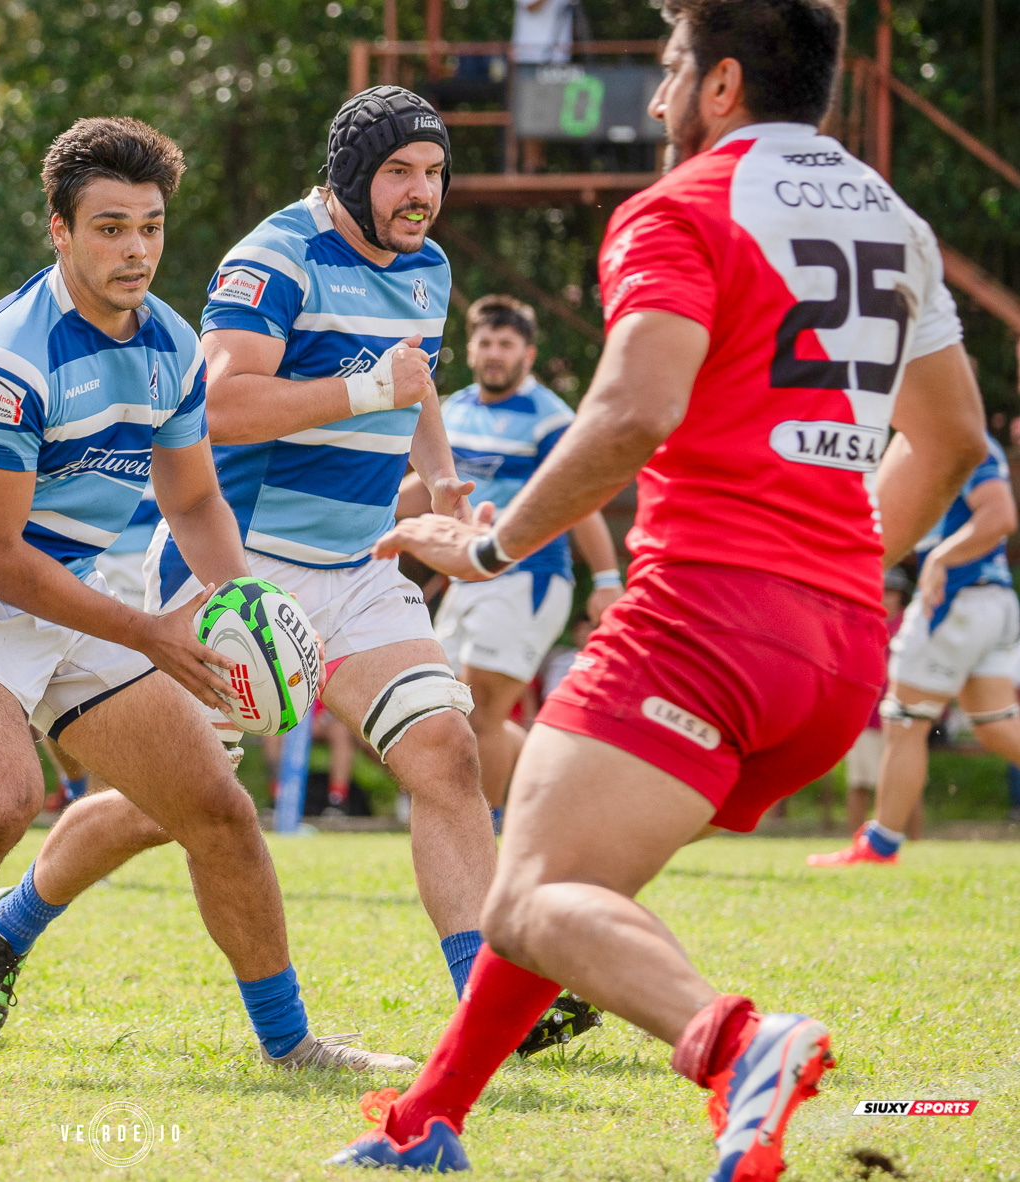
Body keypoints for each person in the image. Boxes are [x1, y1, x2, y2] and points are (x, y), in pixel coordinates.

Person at [329, 0, 986, 1173]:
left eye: (672, 68)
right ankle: (425, 1124)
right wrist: (829, 566)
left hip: (703, 624)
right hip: (840, 656)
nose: (654, 96)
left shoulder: (683, 207)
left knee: (523, 900)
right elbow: (946, 440)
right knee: (558, 889)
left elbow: (635, 409)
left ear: (721, 83)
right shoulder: (898, 221)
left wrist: (489, 548)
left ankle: (739, 1045)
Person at [0, 88, 592, 1060]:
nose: (423, 194)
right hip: (238, 571)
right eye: (399, 174)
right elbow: (219, 405)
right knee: (171, 809)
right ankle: (12, 922)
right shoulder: (273, 257)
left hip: (362, 565)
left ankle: (492, 1006)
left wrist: (443, 479)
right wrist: (368, 387)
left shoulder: (429, 262)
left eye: (434, 173)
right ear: (349, 176)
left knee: (446, 756)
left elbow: (414, 379)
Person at [0, 116, 413, 1080]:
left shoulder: (173, 346)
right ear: (58, 232)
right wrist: (150, 633)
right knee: (1, 799)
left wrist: (245, 601)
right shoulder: (7, 362)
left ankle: (291, 1044)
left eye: (150, 226)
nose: (136, 249)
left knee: (218, 811)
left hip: (74, 590)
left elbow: (190, 495)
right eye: (109, 228)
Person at [431, 294, 623, 824]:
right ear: (470, 350)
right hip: (467, 577)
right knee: (442, 707)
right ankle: (551, 777)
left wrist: (607, 579)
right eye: (486, 342)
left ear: (528, 355)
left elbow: (577, 499)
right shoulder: (454, 410)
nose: (495, 353)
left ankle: (482, 830)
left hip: (528, 578)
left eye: (507, 344)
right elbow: (430, 488)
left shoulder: (550, 418)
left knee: (483, 707)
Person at [809, 430, 1020, 866]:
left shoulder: (963, 438)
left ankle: (880, 845)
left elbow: (1000, 515)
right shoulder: (938, 439)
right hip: (991, 599)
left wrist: (941, 558)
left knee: (904, 721)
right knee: (995, 726)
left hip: (956, 599)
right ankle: (881, 842)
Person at [832, 569, 912, 835]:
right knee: (860, 782)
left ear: (900, 597)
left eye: (891, 592)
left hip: (902, 715)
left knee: (904, 785)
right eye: (882, 591)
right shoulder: (861, 622)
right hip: (865, 717)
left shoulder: (911, 626)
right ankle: (856, 838)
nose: (886, 597)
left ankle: (912, 840)